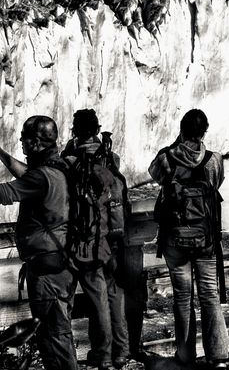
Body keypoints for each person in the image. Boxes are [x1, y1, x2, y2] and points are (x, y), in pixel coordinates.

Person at [148, 109, 229, 369]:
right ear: (205, 131)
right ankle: (218, 357)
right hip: (205, 240)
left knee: (182, 298)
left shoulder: (166, 159)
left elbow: (153, 174)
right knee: (209, 294)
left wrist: (175, 146)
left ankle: (185, 356)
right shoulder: (213, 160)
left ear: (181, 130)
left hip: (175, 240)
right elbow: (217, 184)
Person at [0, 116, 78, 370]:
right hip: (61, 263)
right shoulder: (59, 167)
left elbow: (7, 192)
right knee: (58, 333)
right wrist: (1, 154)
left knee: (54, 337)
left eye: (24, 138)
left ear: (35, 142)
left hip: (47, 271)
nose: (21, 142)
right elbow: (27, 174)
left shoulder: (42, 176)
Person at [61, 109, 129, 370]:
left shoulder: (68, 161)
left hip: (78, 240)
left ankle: (94, 355)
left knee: (84, 298)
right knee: (111, 296)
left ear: (75, 131)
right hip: (107, 237)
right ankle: (118, 352)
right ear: (98, 130)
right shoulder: (111, 158)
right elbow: (116, 199)